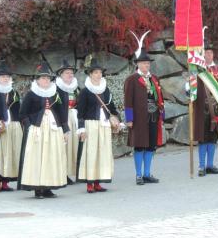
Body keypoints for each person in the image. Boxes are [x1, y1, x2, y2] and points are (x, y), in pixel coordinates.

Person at [17, 62, 69, 199]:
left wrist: (65, 130)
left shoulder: (55, 94)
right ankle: (38, 188)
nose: (45, 80)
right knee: (38, 158)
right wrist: (29, 127)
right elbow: (22, 114)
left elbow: (62, 112)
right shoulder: (31, 95)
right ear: (37, 80)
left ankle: (48, 187)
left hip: (53, 130)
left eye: (47, 78)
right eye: (42, 78)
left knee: (51, 157)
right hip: (37, 131)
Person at [124, 30, 165, 185]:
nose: (146, 65)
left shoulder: (154, 79)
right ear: (138, 64)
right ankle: (139, 175)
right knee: (140, 146)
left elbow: (160, 98)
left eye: (148, 63)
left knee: (150, 146)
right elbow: (128, 100)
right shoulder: (132, 80)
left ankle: (147, 173)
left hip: (153, 116)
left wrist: (162, 115)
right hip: (139, 118)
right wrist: (129, 119)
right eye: (144, 63)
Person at [77, 57, 119, 193]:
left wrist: (116, 119)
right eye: (95, 72)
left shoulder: (106, 90)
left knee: (102, 153)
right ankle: (89, 183)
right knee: (91, 153)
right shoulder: (85, 92)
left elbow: (111, 107)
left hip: (104, 124)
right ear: (90, 74)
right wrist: (81, 128)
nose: (98, 75)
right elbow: (80, 112)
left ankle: (98, 182)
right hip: (91, 125)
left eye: (100, 72)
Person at [193, 39, 218, 176]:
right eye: (205, 53)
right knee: (203, 138)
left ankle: (210, 165)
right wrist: (188, 88)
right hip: (202, 111)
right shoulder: (197, 72)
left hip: (217, 110)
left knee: (213, 138)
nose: (208, 55)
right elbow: (191, 92)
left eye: (210, 52)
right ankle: (201, 166)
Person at [0, 60, 23, 192]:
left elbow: (19, 110)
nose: (5, 79)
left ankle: (6, 182)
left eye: (7, 77)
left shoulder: (14, 93)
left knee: (11, 154)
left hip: (13, 126)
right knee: (0, 155)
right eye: (3, 76)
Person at [55, 59, 80, 185]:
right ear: (61, 75)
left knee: (74, 146)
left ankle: (75, 172)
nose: (70, 75)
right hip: (62, 119)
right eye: (67, 73)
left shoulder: (76, 88)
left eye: (71, 73)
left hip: (74, 118)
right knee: (64, 147)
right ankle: (63, 174)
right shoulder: (55, 89)